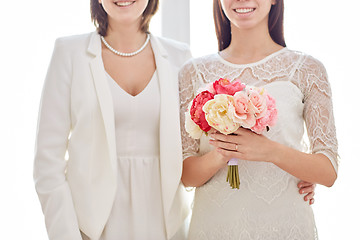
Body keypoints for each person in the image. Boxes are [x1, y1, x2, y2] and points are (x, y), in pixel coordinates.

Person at [33, 0, 193, 239]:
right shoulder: (69, 53)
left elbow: (193, 148)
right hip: (91, 227)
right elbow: (47, 164)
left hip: (164, 225)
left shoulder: (180, 56)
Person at [179, 0, 338, 239]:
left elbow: (328, 171)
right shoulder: (193, 72)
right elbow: (185, 174)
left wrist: (269, 150)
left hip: (285, 224)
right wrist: (222, 153)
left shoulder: (307, 69)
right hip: (214, 226)